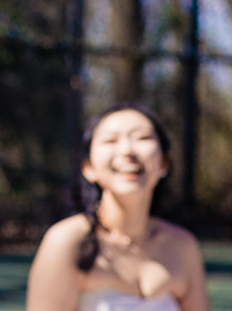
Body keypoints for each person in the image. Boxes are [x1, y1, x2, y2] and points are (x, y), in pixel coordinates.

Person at [26, 103, 210, 311]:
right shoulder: (66, 241)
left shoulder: (183, 245)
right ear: (88, 167)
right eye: (110, 140)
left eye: (142, 138)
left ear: (165, 163)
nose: (127, 150)